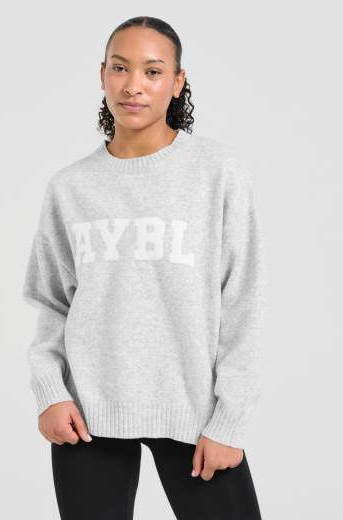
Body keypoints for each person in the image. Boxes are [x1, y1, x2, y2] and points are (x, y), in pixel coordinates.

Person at [22, 15, 267, 520]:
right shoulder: (71, 187)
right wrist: (50, 393)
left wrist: (229, 421)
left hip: (195, 415)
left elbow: (244, 302)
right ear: (102, 75)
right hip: (85, 416)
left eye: (153, 71)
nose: (133, 85)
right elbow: (52, 301)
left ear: (177, 82)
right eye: (120, 68)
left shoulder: (218, 174)